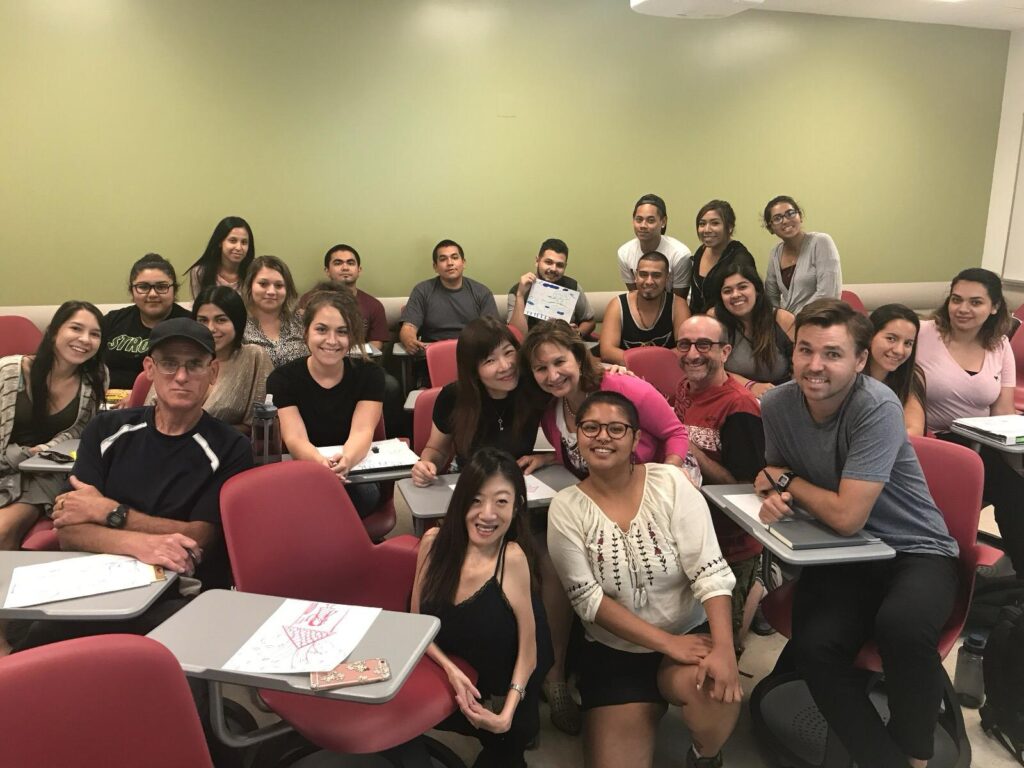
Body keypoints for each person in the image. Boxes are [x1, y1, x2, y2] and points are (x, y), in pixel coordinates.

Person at [754, 299, 958, 768]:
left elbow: (846, 514)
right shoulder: (778, 403)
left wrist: (788, 481)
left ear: (860, 360)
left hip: (916, 548)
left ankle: (915, 756)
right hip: (843, 552)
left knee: (902, 626)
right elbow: (771, 471)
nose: (814, 365)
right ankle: (884, 761)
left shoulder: (876, 405)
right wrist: (777, 489)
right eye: (805, 350)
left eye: (832, 354)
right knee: (815, 646)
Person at [18, 318, 253, 650]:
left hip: (180, 595)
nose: (181, 376)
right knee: (36, 645)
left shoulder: (231, 447)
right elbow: (69, 531)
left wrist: (108, 511)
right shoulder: (105, 430)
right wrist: (141, 545)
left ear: (213, 372)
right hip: (99, 584)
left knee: (149, 658)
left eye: (194, 365)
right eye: (169, 363)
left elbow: (199, 539)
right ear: (150, 369)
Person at [548, 390, 741, 768]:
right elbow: (589, 601)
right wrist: (667, 643)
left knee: (716, 690)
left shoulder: (670, 483)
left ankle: (705, 756)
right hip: (615, 653)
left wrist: (724, 648)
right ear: (577, 437)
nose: (602, 437)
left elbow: (710, 571)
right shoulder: (566, 507)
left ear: (636, 438)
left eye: (616, 428)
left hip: (688, 633)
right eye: (590, 428)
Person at [412, 448, 551, 768]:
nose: (487, 514)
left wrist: (508, 712)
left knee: (506, 745)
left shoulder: (512, 558)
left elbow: (529, 651)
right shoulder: (433, 544)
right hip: (452, 672)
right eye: (476, 500)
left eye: (501, 502)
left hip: (504, 685)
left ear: (517, 507)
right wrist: (450, 669)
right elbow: (417, 621)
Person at [915, 268, 1022, 575]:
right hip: (933, 440)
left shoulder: (999, 345)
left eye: (975, 302)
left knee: (1016, 490)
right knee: (1008, 489)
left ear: (995, 307)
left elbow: (1003, 413)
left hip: (980, 442)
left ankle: (1018, 578)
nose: (963, 309)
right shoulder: (922, 334)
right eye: (956, 299)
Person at [672, 315, 765, 649]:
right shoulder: (683, 389)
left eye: (704, 345)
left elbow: (745, 490)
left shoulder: (739, 407)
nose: (692, 354)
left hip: (728, 546)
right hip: (686, 534)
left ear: (725, 352)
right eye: (684, 344)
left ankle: (758, 584)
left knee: (722, 644)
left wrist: (690, 448)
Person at [266, 290, 384, 518]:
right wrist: (320, 465)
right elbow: (294, 438)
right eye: (321, 329)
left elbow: (362, 430)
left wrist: (346, 461)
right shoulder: (282, 379)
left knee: (362, 495)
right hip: (305, 467)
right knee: (294, 500)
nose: (331, 340)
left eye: (342, 332)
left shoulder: (370, 375)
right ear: (306, 332)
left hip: (353, 469)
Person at [522, 320, 690, 479]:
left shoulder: (624, 387)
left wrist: (667, 476)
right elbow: (587, 454)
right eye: (541, 368)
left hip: (659, 478)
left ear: (578, 358)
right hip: (608, 491)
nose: (553, 376)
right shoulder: (550, 412)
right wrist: (549, 458)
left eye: (559, 362)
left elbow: (676, 434)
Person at [0, 303, 106, 551]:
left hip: (47, 472)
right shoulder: (10, 370)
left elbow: (80, 432)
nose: (85, 339)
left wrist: (43, 450)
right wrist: (15, 456)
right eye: (76, 328)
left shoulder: (95, 378)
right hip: (4, 464)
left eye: (95, 334)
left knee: (3, 529)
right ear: (53, 331)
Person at [411, 317, 547, 487]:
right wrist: (426, 465)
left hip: (521, 480)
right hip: (469, 481)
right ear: (473, 370)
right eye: (490, 360)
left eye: (508, 352)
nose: (505, 366)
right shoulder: (453, 397)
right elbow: (436, 449)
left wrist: (546, 458)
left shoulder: (534, 387)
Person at [298, 244, 404, 437]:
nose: (345, 267)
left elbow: (377, 344)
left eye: (350, 263)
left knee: (391, 385)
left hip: (359, 366)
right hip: (317, 364)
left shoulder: (373, 305)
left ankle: (390, 440)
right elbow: (303, 338)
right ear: (327, 270)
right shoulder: (308, 302)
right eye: (338, 263)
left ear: (359, 269)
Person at [143, 287, 272, 434]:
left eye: (221, 320)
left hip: (227, 445)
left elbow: (261, 425)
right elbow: (149, 410)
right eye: (203, 320)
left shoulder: (254, 356)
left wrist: (201, 432)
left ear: (237, 322)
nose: (211, 328)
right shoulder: (178, 356)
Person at [102, 253, 190, 390]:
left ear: (174, 290)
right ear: (132, 291)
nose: (152, 294)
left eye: (161, 287)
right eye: (143, 287)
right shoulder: (113, 320)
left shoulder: (190, 324)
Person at [400, 238, 501, 354]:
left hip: (472, 354)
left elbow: (493, 331)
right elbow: (408, 327)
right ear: (435, 267)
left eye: (455, 257)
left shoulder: (482, 292)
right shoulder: (422, 291)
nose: (450, 263)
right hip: (432, 354)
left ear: (463, 263)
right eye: (443, 259)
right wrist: (410, 341)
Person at [710, 262, 794, 397]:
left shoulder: (782, 319)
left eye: (742, 287)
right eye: (727, 291)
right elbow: (709, 366)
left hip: (781, 396)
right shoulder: (714, 320)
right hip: (731, 395)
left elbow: (802, 367)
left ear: (757, 290)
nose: (735, 294)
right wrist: (750, 385)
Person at [600, 251, 691, 365]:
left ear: (667, 278)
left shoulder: (678, 305)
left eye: (656, 275)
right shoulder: (617, 305)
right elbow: (607, 351)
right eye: (643, 274)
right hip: (628, 372)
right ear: (635, 276)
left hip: (666, 371)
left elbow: (685, 349)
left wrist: (647, 363)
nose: (649, 281)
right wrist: (646, 363)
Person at [762, 195, 842, 314]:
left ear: (800, 217)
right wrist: (778, 317)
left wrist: (794, 320)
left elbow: (828, 295)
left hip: (821, 319)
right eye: (777, 218)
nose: (785, 220)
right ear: (771, 228)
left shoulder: (821, 242)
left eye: (790, 213)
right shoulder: (775, 253)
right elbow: (771, 296)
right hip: (787, 322)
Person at [507, 238, 596, 339]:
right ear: (537, 261)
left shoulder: (573, 287)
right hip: (533, 346)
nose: (553, 269)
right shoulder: (517, 291)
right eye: (548, 262)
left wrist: (577, 333)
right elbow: (516, 336)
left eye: (560, 265)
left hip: (566, 344)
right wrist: (520, 295)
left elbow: (590, 321)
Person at [686, 200, 757, 316]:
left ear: (730, 227)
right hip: (698, 320)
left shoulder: (741, 259)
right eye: (702, 224)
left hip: (728, 322)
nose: (707, 230)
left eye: (715, 223)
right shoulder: (701, 250)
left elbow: (744, 301)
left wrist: (716, 313)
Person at [617, 193, 692, 299]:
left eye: (650, 220)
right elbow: (636, 296)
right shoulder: (624, 253)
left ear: (663, 222)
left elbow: (679, 301)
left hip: (675, 305)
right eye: (639, 219)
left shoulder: (679, 254)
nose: (643, 225)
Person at [867, 304, 926, 436]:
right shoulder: (847, 375)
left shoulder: (911, 376)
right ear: (870, 336)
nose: (899, 350)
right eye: (891, 339)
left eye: (908, 343)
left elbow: (914, 431)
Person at [241, 254, 308, 368]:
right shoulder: (238, 324)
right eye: (263, 284)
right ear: (250, 286)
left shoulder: (301, 321)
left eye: (279, 285)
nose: (271, 291)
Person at [185, 216, 255, 297]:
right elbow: (199, 304)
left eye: (244, 242)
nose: (239, 247)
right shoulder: (200, 273)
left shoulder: (254, 273)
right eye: (233, 241)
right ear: (220, 242)